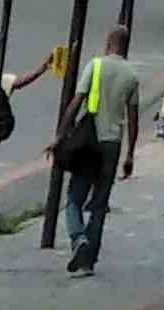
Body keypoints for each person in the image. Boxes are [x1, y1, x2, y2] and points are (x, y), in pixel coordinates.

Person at [54, 11, 141, 270]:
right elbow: (133, 119)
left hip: (88, 143)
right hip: (112, 144)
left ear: (108, 43)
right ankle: (89, 261)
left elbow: (75, 103)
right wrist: (130, 155)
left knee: (74, 200)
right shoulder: (132, 75)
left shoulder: (96, 65)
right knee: (100, 204)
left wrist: (60, 136)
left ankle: (78, 238)